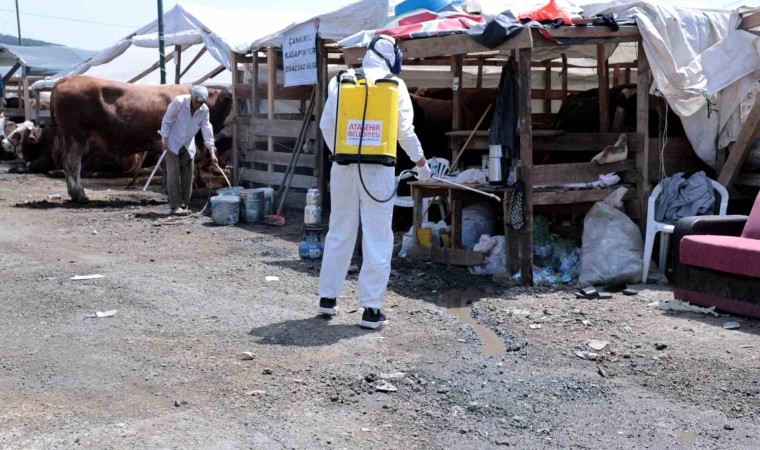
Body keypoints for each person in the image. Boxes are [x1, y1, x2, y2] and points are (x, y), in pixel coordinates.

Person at [317, 35, 432, 329]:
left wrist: (344, 154)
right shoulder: (395, 86)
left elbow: (326, 125)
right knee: (377, 236)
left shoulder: (340, 81)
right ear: (392, 57)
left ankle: (327, 300)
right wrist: (421, 163)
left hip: (342, 167)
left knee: (339, 231)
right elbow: (404, 131)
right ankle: (371, 310)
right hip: (379, 170)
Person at [160, 85, 218, 215]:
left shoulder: (204, 110)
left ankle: (184, 205)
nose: (198, 105)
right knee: (173, 174)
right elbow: (167, 120)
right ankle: (175, 206)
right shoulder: (179, 102)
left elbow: (207, 129)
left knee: (188, 175)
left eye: (201, 102)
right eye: (197, 101)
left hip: (187, 144)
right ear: (192, 98)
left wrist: (212, 152)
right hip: (173, 142)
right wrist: (164, 139)